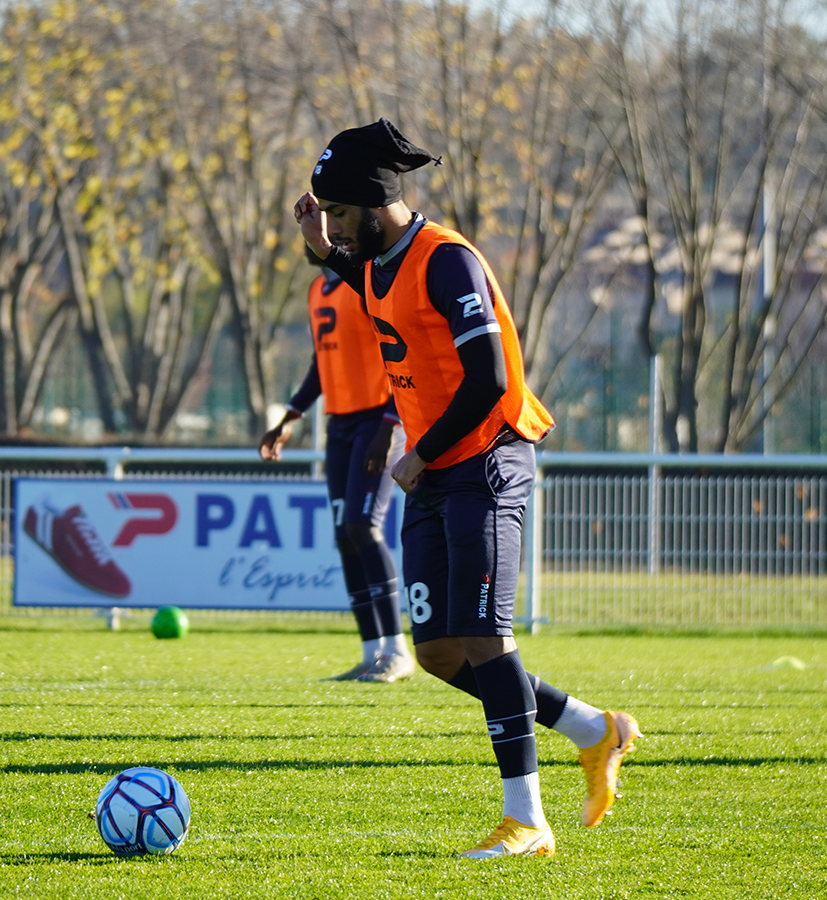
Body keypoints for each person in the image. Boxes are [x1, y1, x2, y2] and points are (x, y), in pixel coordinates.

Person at [294, 118, 640, 859]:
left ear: (373, 203)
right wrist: (322, 250)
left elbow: (487, 379)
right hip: (437, 473)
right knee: (441, 654)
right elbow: (371, 285)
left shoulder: (447, 261)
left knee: (486, 638)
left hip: (485, 459)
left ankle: (527, 821)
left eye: (340, 214)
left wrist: (422, 452)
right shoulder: (379, 262)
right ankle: (593, 729)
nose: (335, 227)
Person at [259, 251, 413, 683]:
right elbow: (321, 365)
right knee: (346, 535)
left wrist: (389, 425)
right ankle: (370, 654)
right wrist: (290, 416)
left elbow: (402, 354)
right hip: (340, 426)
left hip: (375, 421)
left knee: (364, 526)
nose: (310, 237)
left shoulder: (363, 284)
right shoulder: (316, 290)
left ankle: (397, 651)